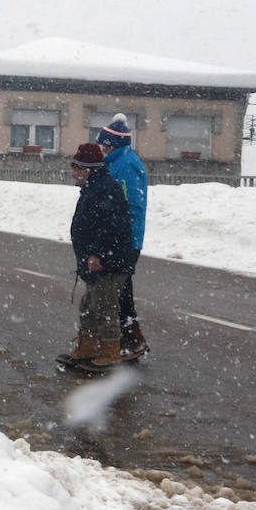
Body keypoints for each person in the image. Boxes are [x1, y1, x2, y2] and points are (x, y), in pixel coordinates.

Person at [58, 143, 135, 372]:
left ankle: (110, 352)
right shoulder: (94, 187)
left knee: (104, 306)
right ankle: (87, 348)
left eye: (77, 169)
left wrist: (98, 254)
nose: (74, 173)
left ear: (87, 169)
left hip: (110, 262)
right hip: (99, 261)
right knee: (89, 305)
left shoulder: (104, 189)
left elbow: (111, 227)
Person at [97, 114, 150, 360]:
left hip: (125, 238)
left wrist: (121, 236)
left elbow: (131, 204)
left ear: (113, 144)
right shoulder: (116, 161)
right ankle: (127, 339)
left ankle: (131, 339)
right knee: (120, 289)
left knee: (118, 290)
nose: (102, 148)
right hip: (120, 237)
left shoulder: (126, 164)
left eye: (104, 144)